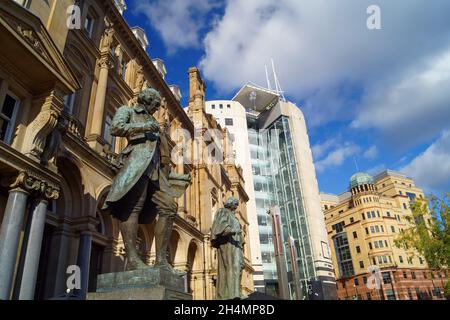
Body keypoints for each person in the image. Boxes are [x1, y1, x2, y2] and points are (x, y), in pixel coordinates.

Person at [102, 87, 187, 272]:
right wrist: (143, 127)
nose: (157, 109)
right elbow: (116, 127)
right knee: (133, 208)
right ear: (146, 100)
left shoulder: (154, 121)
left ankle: (161, 261)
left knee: (169, 207)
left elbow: (162, 154)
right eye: (156, 105)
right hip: (136, 165)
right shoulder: (129, 111)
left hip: (156, 173)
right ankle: (132, 258)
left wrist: (174, 176)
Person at [211, 197, 246, 300]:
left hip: (236, 244)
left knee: (239, 265)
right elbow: (221, 224)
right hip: (228, 242)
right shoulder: (223, 211)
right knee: (230, 266)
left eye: (237, 204)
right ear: (230, 203)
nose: (236, 206)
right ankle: (230, 294)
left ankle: (236, 292)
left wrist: (241, 239)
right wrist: (231, 230)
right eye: (235, 204)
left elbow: (239, 231)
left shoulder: (234, 216)